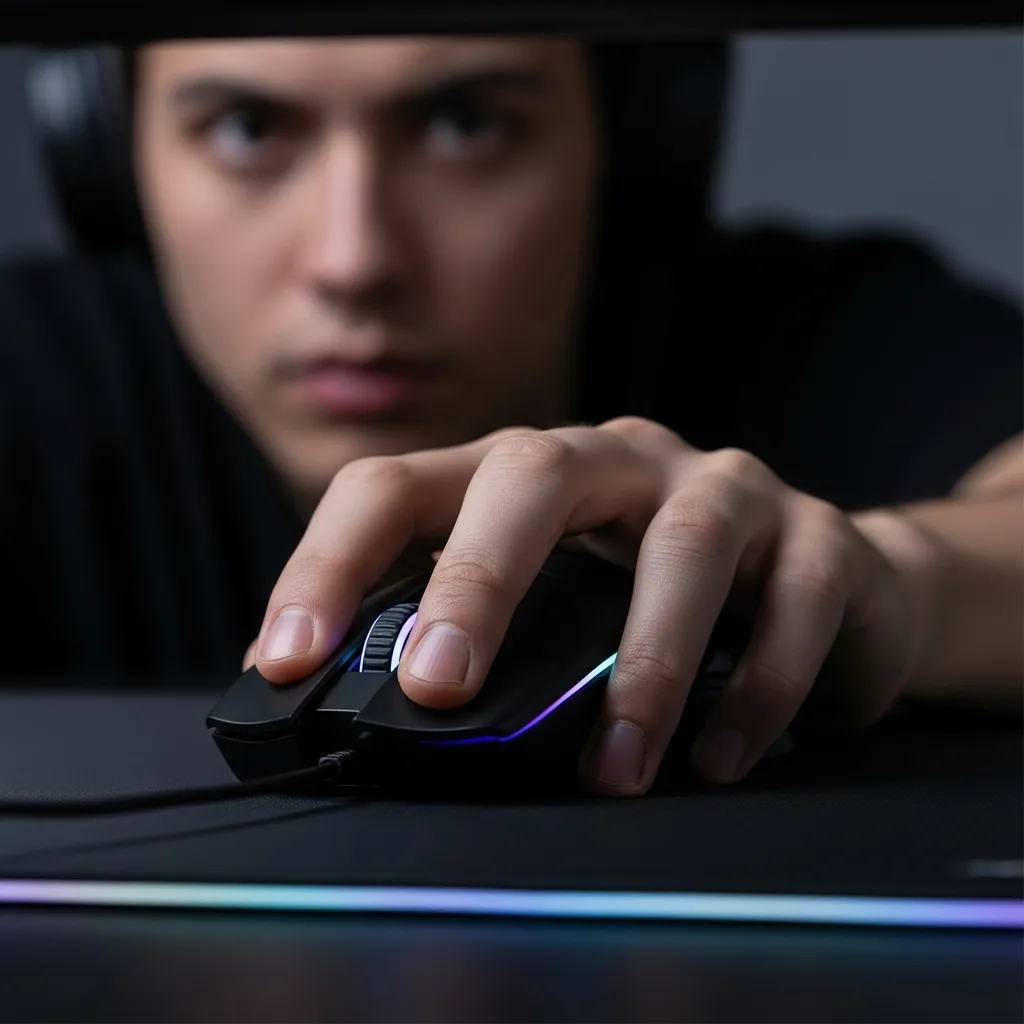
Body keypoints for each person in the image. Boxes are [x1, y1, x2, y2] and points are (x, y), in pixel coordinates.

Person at [1, 38, 1020, 798]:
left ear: (625, 142)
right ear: (108, 156)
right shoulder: (37, 362)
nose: (354, 261)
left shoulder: (816, 327)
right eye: (247, 130)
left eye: (465, 125)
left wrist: (893, 581)